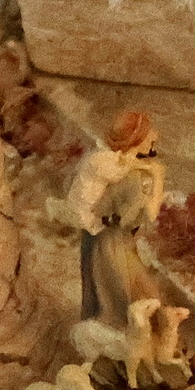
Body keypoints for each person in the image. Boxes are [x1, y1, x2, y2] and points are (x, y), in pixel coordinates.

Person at [65, 108, 167, 326]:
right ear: (138, 140)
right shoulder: (134, 177)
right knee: (128, 301)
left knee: (108, 298)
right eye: (149, 133)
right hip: (112, 244)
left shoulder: (117, 164)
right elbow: (146, 216)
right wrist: (158, 178)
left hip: (98, 239)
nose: (155, 135)